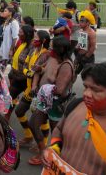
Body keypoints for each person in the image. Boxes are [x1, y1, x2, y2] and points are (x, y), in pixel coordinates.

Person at [28, 35, 74, 165]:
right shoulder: (53, 58)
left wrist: (44, 89)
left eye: (53, 47)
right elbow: (44, 71)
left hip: (55, 104)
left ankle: (58, 160)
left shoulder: (66, 65)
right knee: (33, 123)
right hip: (46, 101)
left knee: (56, 134)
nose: (50, 49)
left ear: (59, 50)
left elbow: (59, 90)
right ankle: (43, 151)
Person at [15, 30, 51, 147]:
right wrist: (28, 72)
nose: (34, 40)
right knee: (19, 111)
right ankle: (28, 135)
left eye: (36, 38)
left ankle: (43, 144)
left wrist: (31, 72)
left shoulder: (46, 54)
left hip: (39, 92)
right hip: (29, 89)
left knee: (41, 120)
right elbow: (26, 66)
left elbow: (38, 70)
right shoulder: (33, 50)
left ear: (43, 41)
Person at [7, 25, 34, 118]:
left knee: (22, 108)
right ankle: (7, 116)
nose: (18, 33)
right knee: (10, 97)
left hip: (25, 80)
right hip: (17, 77)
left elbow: (30, 66)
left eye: (21, 32)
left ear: (27, 34)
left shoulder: (32, 47)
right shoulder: (23, 44)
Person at [74, 10, 97, 76]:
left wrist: (86, 57)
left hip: (88, 58)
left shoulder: (91, 33)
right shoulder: (81, 30)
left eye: (82, 21)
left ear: (88, 23)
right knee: (74, 72)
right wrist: (77, 48)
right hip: (79, 55)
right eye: (80, 21)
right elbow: (81, 43)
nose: (80, 23)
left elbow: (93, 47)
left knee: (89, 75)